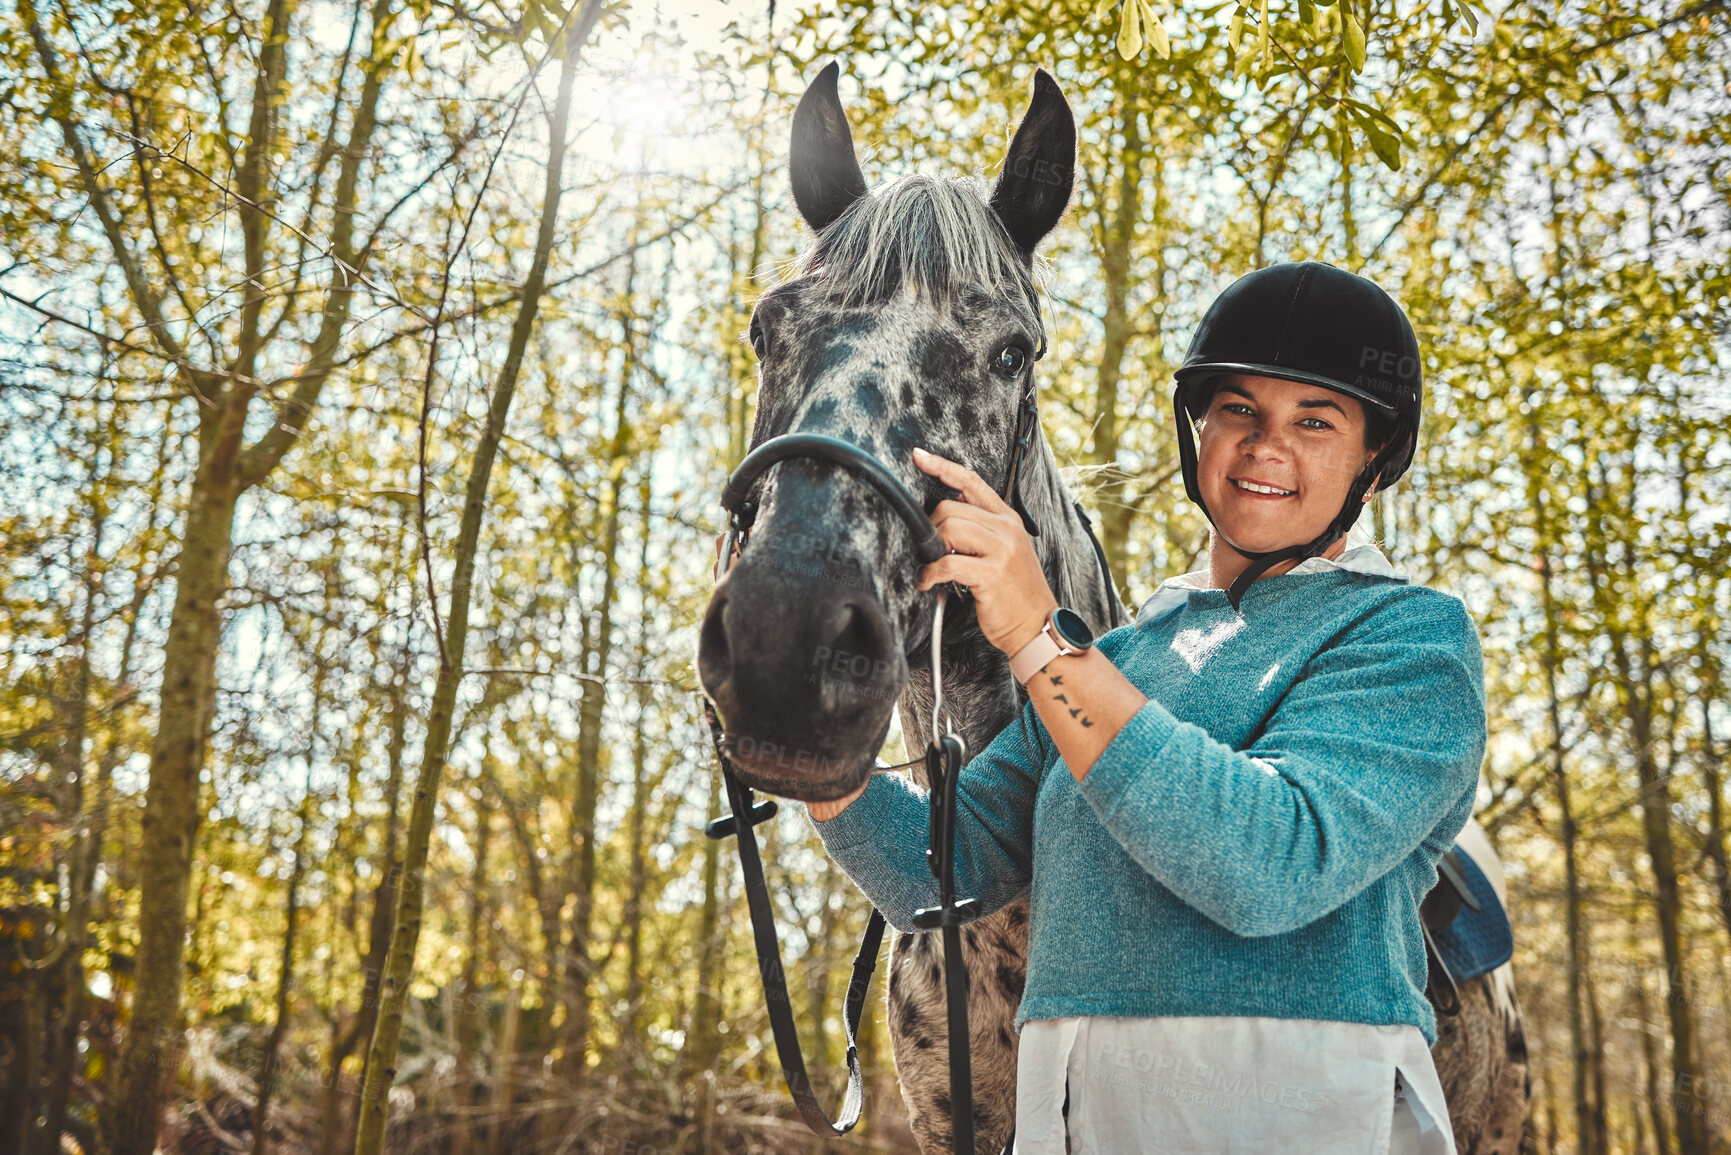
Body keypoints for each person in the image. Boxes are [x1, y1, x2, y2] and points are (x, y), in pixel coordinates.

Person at [806, 261, 1482, 1154]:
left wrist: (1040, 638)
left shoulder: (1411, 638)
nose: (1263, 445)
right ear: (1195, 432)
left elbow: (1268, 861)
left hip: (1299, 1114)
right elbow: (944, 868)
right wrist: (811, 743)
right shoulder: (1120, 656)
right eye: (1237, 409)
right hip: (1077, 1112)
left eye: (1313, 421)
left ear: (1375, 458)